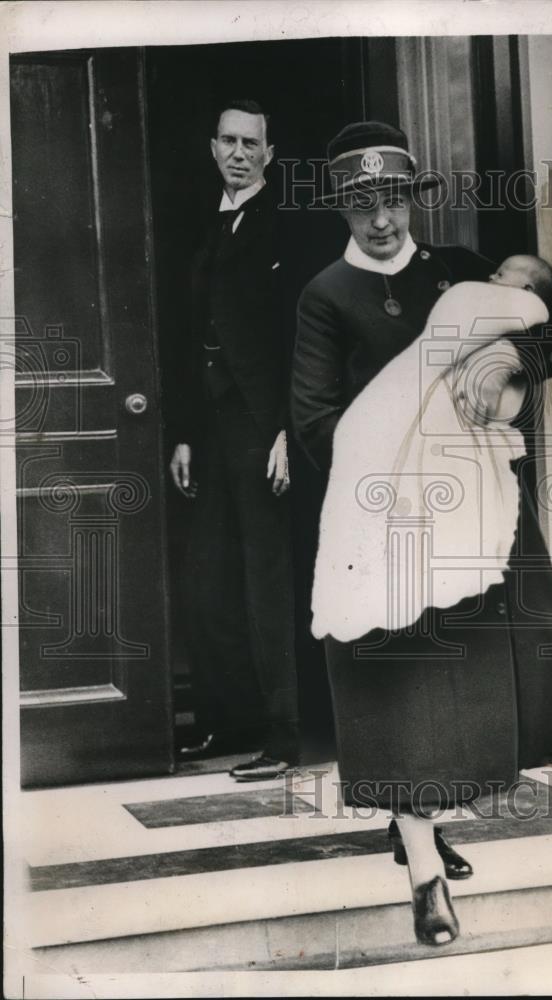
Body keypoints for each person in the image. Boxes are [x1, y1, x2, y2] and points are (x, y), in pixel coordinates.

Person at [291, 121, 552, 946]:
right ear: (341, 212)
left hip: (472, 517)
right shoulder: (325, 295)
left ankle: (418, 820)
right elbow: (315, 420)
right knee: (397, 694)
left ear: (412, 201)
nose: (380, 221)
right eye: (362, 207)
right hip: (388, 517)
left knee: (456, 695)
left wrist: (509, 363)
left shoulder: (460, 273)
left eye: (391, 201)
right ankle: (426, 876)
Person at [167, 98, 299, 781]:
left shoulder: (288, 228)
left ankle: (285, 735)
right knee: (207, 582)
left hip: (263, 425)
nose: (239, 151)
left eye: (252, 142)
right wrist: (186, 434)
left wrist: (286, 430)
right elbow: (189, 339)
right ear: (212, 147)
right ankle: (229, 719)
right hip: (213, 431)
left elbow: (304, 339)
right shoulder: (200, 220)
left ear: (269, 155)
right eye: (228, 139)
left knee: (268, 583)